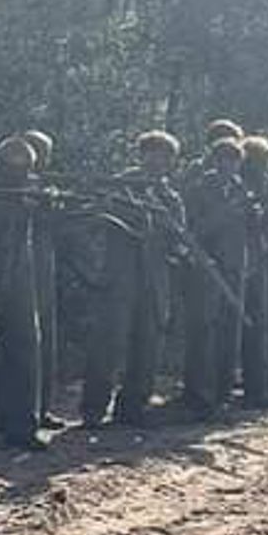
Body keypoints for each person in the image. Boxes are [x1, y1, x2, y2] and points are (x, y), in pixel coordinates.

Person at [81, 130, 185, 429]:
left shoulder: (170, 197)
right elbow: (95, 221)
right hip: (118, 279)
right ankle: (93, 409)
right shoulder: (119, 187)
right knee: (108, 345)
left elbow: (179, 240)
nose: (158, 160)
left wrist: (172, 239)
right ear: (141, 155)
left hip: (154, 282)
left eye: (165, 156)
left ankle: (133, 408)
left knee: (147, 347)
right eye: (152, 153)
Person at [181, 132, 251, 418]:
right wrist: (225, 213)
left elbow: (250, 230)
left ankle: (222, 392)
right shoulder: (199, 190)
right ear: (214, 161)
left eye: (234, 160)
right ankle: (198, 392)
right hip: (207, 269)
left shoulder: (241, 190)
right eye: (223, 159)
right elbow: (192, 230)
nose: (228, 165)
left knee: (229, 333)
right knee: (203, 332)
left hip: (235, 268)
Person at [0, 134, 45, 451]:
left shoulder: (31, 188)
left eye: (25, 169)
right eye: (12, 169)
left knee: (26, 348)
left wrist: (33, 202)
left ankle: (22, 425)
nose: (20, 175)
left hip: (20, 276)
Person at [23, 129, 65, 429]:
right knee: (23, 340)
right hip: (19, 269)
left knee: (46, 338)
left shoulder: (48, 187)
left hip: (44, 264)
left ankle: (41, 407)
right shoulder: (8, 186)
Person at [239, 136, 268, 407]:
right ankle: (251, 389)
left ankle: (257, 388)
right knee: (246, 327)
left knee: (258, 326)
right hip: (240, 263)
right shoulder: (242, 187)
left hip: (255, 260)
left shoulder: (259, 186)